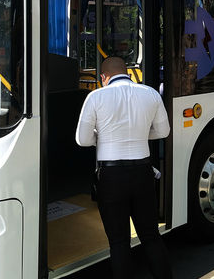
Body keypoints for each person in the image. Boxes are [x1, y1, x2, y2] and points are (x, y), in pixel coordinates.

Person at [75, 56, 172, 279]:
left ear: (103, 77)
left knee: (118, 242)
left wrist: (103, 139)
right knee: (150, 236)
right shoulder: (150, 94)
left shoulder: (96, 96)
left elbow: (82, 139)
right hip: (143, 173)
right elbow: (163, 131)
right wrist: (140, 136)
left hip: (111, 176)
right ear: (127, 72)